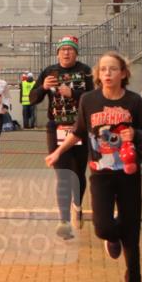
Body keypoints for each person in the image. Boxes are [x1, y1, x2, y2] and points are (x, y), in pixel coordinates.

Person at [45, 52, 142, 282]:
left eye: (113, 69)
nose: (107, 74)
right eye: (103, 69)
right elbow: (78, 132)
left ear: (123, 73)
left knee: (132, 231)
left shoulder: (134, 102)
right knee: (102, 227)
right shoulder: (89, 100)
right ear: (98, 74)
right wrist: (57, 152)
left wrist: (136, 135)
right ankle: (112, 236)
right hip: (100, 174)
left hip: (129, 174)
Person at [30, 35, 94, 239]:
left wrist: (73, 94)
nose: (66, 52)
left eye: (70, 49)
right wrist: (43, 88)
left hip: (81, 129)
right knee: (63, 176)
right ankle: (64, 221)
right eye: (63, 49)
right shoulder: (49, 72)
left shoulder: (85, 72)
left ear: (76, 52)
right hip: (56, 128)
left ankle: (77, 205)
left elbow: (95, 98)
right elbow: (31, 98)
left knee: (78, 174)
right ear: (58, 53)